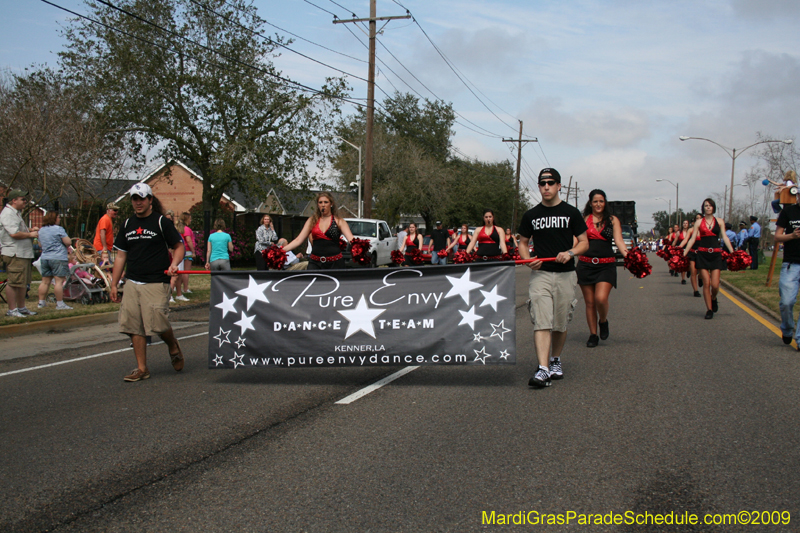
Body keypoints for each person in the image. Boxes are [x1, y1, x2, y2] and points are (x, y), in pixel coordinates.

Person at [517, 168, 589, 389]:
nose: (546, 186)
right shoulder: (531, 215)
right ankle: (543, 369)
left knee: (559, 323)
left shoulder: (572, 213)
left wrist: (571, 252)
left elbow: (584, 242)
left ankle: (555, 359)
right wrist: (529, 260)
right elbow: (522, 243)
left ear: (559, 186)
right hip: (541, 275)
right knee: (541, 320)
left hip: (566, 275)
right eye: (542, 183)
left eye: (550, 182)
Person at [110, 183, 185, 382]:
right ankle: (142, 368)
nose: (138, 202)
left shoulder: (162, 222)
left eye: (142, 198)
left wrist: (175, 263)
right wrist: (113, 284)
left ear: (150, 200)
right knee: (134, 325)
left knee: (158, 325)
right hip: (133, 281)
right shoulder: (127, 224)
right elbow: (120, 256)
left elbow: (178, 247)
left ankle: (172, 345)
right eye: (135, 199)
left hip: (156, 281)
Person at [576, 189, 629, 347]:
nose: (598, 204)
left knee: (600, 298)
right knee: (590, 303)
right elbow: (575, 242)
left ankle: (603, 321)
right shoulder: (584, 219)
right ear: (590, 203)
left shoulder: (613, 220)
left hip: (606, 265)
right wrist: (564, 252)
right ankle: (593, 335)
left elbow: (619, 241)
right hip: (585, 264)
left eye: (601, 201)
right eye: (595, 201)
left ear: (605, 203)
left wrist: (630, 257)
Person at [683, 198, 735, 319]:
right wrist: (684, 253)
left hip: (716, 255)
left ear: (713, 207)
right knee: (706, 283)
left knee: (715, 285)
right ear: (703, 208)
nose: (708, 207)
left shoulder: (720, 221)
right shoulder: (698, 222)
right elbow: (692, 239)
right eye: (706, 205)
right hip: (702, 255)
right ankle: (709, 309)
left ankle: (714, 298)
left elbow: (725, 238)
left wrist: (733, 252)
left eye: (710, 205)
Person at [282, 192, 355, 270]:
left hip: (335, 263)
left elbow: (352, 240)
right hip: (315, 263)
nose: (323, 205)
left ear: (331, 204)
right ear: (318, 205)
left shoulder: (339, 221)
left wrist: (360, 249)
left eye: (326, 202)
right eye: (320, 202)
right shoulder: (312, 221)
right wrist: (281, 251)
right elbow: (298, 240)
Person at [0, 189, 39, 317]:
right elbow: (14, 233)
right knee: (14, 282)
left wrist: (29, 230)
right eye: (22, 199)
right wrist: (30, 234)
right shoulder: (7, 214)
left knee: (23, 282)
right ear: (14, 200)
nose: (25, 202)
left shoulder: (16, 213)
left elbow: (18, 230)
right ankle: (12, 309)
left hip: (23, 253)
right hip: (14, 253)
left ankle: (21, 307)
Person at [774, 187, 800, 347]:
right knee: (787, 302)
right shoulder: (788, 212)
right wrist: (792, 235)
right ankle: (787, 328)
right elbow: (777, 236)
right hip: (791, 264)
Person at [36, 212, 73, 310]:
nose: (59, 219)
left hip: (45, 257)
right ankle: (60, 304)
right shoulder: (59, 229)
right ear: (54, 219)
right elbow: (68, 242)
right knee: (59, 281)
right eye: (58, 217)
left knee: (45, 281)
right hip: (58, 257)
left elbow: (40, 245)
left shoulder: (41, 230)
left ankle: (41, 302)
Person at [677, 214, 703, 297]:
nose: (698, 220)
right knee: (693, 272)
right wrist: (678, 248)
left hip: (702, 253)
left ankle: (700, 278)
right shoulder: (691, 230)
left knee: (701, 272)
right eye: (697, 218)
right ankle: (695, 291)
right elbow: (685, 240)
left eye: (700, 218)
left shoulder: (705, 230)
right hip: (692, 253)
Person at [179, 213, 195, 292]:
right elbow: (188, 240)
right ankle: (185, 288)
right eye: (190, 219)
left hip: (181, 250)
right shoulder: (187, 229)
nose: (191, 220)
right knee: (186, 271)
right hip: (187, 251)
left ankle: (178, 286)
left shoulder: (179, 228)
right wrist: (193, 251)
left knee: (181, 270)